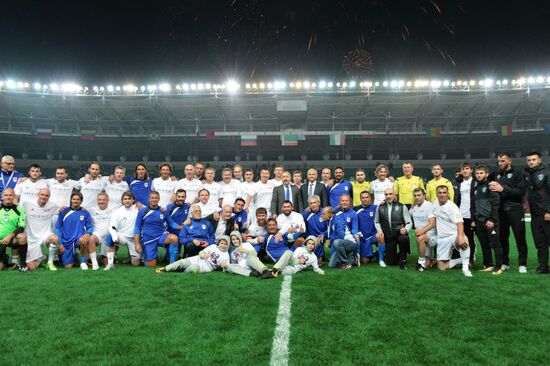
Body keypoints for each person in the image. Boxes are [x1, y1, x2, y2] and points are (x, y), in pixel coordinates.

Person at [418, 185, 472, 277]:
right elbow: (432, 221)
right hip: (442, 238)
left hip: (453, 235)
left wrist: (459, 237)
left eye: (444, 193)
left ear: (448, 194)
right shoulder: (434, 205)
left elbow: (460, 223)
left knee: (464, 239)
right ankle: (459, 260)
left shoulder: (452, 207)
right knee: (442, 267)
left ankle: (465, 268)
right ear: (436, 194)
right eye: (440, 193)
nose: (442, 195)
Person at [488, 153, 528, 273]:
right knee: (503, 238)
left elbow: (521, 192)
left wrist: (503, 189)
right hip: (501, 211)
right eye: (499, 161)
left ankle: (522, 264)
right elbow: (483, 178)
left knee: (520, 238)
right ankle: (505, 262)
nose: (500, 163)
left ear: (509, 161)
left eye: (503, 161)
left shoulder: (518, 173)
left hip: (515, 210)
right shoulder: (495, 174)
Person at [134, 191, 180, 267]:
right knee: (151, 265)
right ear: (149, 199)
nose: (154, 200)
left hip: (161, 236)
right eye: (152, 198)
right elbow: (137, 228)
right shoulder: (142, 211)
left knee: (174, 238)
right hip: (149, 239)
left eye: (156, 198)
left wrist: (181, 227)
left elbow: (171, 223)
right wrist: (137, 244)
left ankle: (172, 265)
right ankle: (145, 255)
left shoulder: (163, 211)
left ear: (159, 199)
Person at [471, 165, 503, 275]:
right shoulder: (475, 188)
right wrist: (473, 219)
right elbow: (474, 205)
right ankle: (488, 265)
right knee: (484, 245)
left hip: (490, 221)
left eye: (481, 173)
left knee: (496, 244)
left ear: (487, 174)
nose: (479, 175)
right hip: (479, 221)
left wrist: (492, 219)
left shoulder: (491, 185)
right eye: (477, 173)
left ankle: (498, 267)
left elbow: (495, 204)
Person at [524, 151, 550, 274]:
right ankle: (543, 267)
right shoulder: (527, 173)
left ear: (539, 160)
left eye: (533, 160)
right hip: (535, 214)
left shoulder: (547, 172)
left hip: (546, 213)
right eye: (529, 160)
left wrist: (549, 211)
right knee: (540, 242)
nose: (531, 162)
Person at [56, 192, 96, 270]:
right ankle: (74, 256)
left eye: (78, 199)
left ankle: (83, 263)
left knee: (84, 241)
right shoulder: (64, 211)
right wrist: (60, 244)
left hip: (79, 239)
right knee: (68, 267)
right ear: (71, 200)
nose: (75, 201)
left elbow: (89, 227)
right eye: (74, 199)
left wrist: (88, 233)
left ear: (81, 201)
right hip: (67, 241)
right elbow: (58, 228)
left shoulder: (85, 212)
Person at [374, 188, 411, 269]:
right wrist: (379, 230)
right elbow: (376, 222)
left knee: (404, 239)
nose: (388, 196)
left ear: (394, 195)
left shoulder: (402, 206)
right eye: (386, 194)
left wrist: (406, 229)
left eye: (390, 194)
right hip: (389, 236)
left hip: (400, 234)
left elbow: (409, 222)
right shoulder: (379, 207)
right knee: (391, 262)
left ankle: (403, 258)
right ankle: (395, 256)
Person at [22, 188, 59, 271]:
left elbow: (63, 211)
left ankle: (50, 263)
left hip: (44, 236)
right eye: (42, 194)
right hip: (30, 238)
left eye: (46, 195)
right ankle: (42, 258)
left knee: (55, 238)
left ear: (49, 197)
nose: (44, 197)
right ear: (38, 195)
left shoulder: (53, 206)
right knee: (32, 267)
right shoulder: (26, 204)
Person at [157, 235, 230, 274]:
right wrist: (203, 255)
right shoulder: (213, 246)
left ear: (228, 245)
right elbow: (201, 252)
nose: (223, 245)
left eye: (225, 244)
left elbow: (226, 268)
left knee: (193, 268)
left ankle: (181, 271)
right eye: (221, 243)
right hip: (198, 258)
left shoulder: (226, 255)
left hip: (206, 266)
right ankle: (166, 269)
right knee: (182, 262)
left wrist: (224, 266)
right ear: (219, 243)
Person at [106, 191, 141, 270]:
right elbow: (112, 227)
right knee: (109, 236)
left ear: (133, 200)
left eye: (129, 199)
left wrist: (163, 208)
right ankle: (110, 263)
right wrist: (115, 237)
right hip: (123, 236)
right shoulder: (117, 212)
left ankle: (133, 256)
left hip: (135, 239)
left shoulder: (139, 208)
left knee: (136, 263)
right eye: (125, 199)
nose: (127, 201)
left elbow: (151, 208)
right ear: (122, 200)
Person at [453, 162, 476, 265]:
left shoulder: (475, 182)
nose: (465, 171)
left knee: (471, 239)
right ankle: (461, 259)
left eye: (467, 168)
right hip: (461, 215)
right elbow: (456, 200)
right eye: (463, 169)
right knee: (460, 237)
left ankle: (471, 259)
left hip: (472, 215)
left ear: (471, 170)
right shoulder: (458, 183)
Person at [0, 188, 28, 271]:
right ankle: (4, 258)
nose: (8, 197)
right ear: (2, 197)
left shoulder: (19, 209)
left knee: (22, 237)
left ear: (14, 196)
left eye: (10, 195)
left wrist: (9, 236)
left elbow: (22, 226)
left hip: (12, 239)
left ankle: (23, 265)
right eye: (6, 195)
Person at [409, 188, 436, 272]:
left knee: (420, 238)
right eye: (415, 196)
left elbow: (432, 223)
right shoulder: (414, 207)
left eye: (419, 195)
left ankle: (420, 263)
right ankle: (433, 259)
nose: (417, 197)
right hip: (421, 238)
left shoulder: (429, 206)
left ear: (424, 195)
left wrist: (422, 231)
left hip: (432, 237)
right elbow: (408, 215)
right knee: (428, 264)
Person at [89, 192, 115, 268]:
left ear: (108, 200)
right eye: (99, 200)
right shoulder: (91, 210)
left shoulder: (113, 210)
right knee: (91, 239)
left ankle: (101, 256)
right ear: (97, 200)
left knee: (106, 264)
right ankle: (94, 263)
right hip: (97, 235)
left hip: (108, 236)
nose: (101, 201)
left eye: (104, 200)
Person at [354, 191, 379, 266]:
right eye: (363, 198)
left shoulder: (376, 208)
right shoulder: (356, 209)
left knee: (382, 239)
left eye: (366, 197)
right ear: (360, 199)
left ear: (370, 198)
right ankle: (373, 254)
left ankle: (380, 253)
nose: (365, 199)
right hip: (363, 237)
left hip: (374, 235)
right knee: (365, 261)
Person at [302, 195, 329, 264]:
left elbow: (329, 228)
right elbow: (301, 226)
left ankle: (319, 258)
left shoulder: (324, 212)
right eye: (311, 203)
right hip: (310, 237)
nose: (313, 205)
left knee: (318, 240)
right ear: (308, 205)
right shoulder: (306, 214)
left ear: (319, 203)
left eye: (315, 202)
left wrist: (323, 234)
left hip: (321, 237)